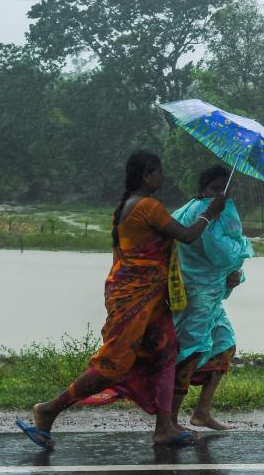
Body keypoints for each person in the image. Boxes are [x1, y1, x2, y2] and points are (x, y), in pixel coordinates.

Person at [17, 150, 226, 449]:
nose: (161, 177)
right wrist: (210, 212)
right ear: (146, 176)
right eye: (158, 172)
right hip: (134, 298)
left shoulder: (128, 205)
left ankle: (165, 426)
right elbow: (187, 235)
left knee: (167, 352)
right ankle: (48, 410)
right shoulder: (147, 206)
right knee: (113, 365)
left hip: (150, 298)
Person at [171, 165, 253, 431]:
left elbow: (226, 261)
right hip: (196, 296)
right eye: (214, 189)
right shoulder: (201, 213)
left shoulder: (210, 213)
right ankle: (169, 422)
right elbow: (223, 254)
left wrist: (235, 275)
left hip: (210, 296)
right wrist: (240, 257)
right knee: (190, 353)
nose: (219, 195)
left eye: (224, 190)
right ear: (202, 190)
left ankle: (201, 412)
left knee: (224, 344)